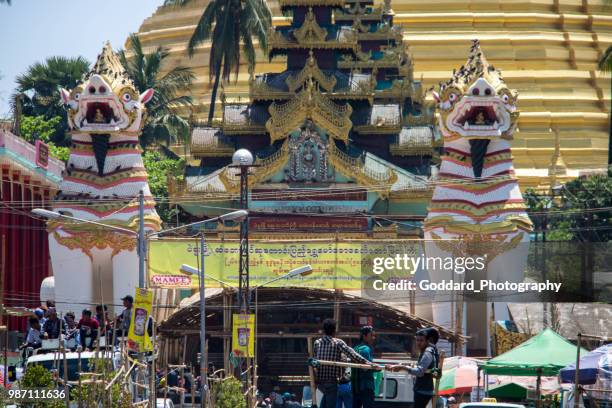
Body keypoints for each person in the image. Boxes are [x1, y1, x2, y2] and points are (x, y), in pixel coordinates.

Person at [313, 318, 379, 408]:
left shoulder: (317, 343)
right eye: (371, 335)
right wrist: (370, 364)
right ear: (334, 331)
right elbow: (353, 355)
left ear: (324, 330)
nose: (373, 338)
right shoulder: (338, 343)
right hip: (335, 382)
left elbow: (315, 360)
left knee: (326, 400)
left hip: (321, 383)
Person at [387, 328, 440, 408]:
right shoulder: (428, 351)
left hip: (423, 391)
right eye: (417, 340)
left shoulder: (427, 352)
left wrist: (402, 367)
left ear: (427, 341)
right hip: (423, 390)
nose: (418, 343)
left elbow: (420, 372)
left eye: (421, 340)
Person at [352, 326, 377, 408]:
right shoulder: (366, 349)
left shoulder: (355, 348)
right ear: (364, 336)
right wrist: (379, 368)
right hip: (366, 387)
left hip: (355, 387)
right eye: (371, 335)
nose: (373, 338)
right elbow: (367, 368)